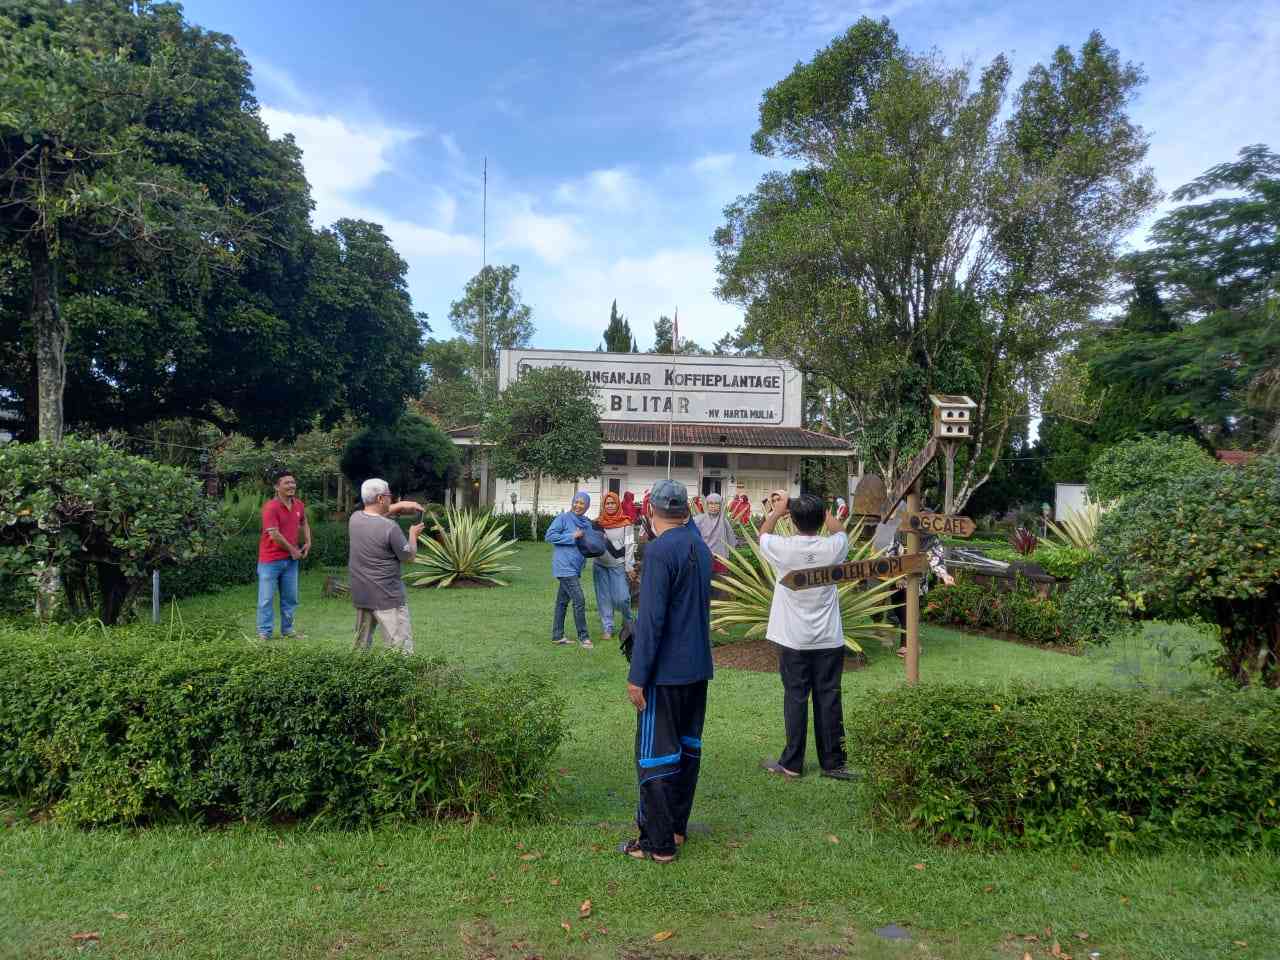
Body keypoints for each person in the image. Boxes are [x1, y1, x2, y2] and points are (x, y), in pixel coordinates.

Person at [620, 479, 714, 863]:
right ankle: (676, 828)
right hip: (697, 668)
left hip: (665, 673)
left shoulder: (659, 551)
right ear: (687, 511)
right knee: (687, 751)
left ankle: (656, 844)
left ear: (651, 511)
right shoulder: (700, 546)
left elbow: (652, 620)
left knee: (655, 756)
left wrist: (637, 676)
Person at [757, 491, 856, 781]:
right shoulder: (832, 548)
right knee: (829, 698)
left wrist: (778, 510)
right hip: (828, 638)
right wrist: (825, 512)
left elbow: (763, 533)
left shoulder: (783, 549)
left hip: (792, 639)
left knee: (795, 698)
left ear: (794, 520)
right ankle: (834, 763)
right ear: (821, 519)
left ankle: (792, 763)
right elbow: (842, 532)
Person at [349, 478, 427, 654]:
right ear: (380, 499)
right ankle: (400, 681)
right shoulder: (389, 527)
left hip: (362, 594)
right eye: (389, 495)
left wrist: (400, 505)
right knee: (399, 650)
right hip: (388, 596)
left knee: (360, 648)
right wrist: (413, 535)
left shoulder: (354, 519)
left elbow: (373, 514)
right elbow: (409, 556)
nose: (391, 498)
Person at [874, 501, 954, 658]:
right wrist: (894, 575)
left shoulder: (932, 539)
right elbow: (891, 554)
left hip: (917, 582)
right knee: (901, 611)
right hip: (897, 580)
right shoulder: (901, 532)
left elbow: (936, 558)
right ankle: (910, 644)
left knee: (910, 613)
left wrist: (944, 576)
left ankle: (907, 645)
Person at [256, 469, 311, 641]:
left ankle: (288, 630)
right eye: (286, 483)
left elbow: (304, 522)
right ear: (276, 487)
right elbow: (274, 535)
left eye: (293, 482)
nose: (291, 485)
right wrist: (293, 550)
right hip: (270, 561)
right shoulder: (271, 507)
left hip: (290, 561)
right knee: (266, 599)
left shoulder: (298, 505)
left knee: (290, 598)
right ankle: (265, 633)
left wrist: (308, 541)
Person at [545, 491, 594, 648]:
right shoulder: (563, 519)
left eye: (582, 503)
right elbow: (550, 536)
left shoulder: (586, 523)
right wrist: (571, 536)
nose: (578, 505)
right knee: (579, 600)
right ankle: (584, 637)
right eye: (576, 502)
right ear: (572, 502)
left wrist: (600, 538)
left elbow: (591, 539)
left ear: (587, 506)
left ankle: (557, 636)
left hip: (575, 567)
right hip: (564, 567)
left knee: (562, 602)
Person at [592, 491, 635, 644]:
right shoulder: (597, 523)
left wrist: (629, 565)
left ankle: (628, 621)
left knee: (622, 598)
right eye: (607, 503)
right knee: (603, 598)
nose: (610, 506)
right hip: (599, 565)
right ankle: (607, 627)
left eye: (612, 503)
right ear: (603, 505)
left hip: (617, 565)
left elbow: (630, 546)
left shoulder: (626, 523)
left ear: (618, 504)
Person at [693, 492, 737, 574]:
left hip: (720, 558)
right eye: (710, 503)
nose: (713, 506)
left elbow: (731, 538)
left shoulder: (724, 522)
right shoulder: (698, 520)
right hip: (703, 556)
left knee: (720, 581)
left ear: (721, 505)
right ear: (706, 505)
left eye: (717, 504)